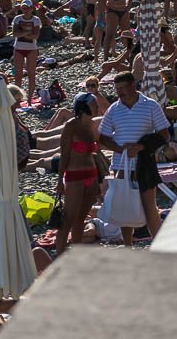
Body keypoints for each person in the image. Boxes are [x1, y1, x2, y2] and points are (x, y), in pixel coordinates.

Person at [98, 72, 170, 246]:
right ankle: (128, 246)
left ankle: (159, 245)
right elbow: (102, 137)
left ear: (132, 85)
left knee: (149, 207)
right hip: (121, 163)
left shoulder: (150, 105)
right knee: (125, 206)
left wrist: (141, 147)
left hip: (145, 162)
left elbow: (164, 134)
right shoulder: (113, 109)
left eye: (122, 88)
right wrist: (120, 149)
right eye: (117, 89)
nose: (120, 92)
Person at [55, 93, 101, 255]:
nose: (97, 107)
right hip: (74, 176)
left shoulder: (92, 125)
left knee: (81, 218)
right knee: (67, 219)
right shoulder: (71, 126)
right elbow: (64, 155)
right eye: (94, 105)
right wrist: (60, 180)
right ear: (84, 107)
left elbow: (100, 148)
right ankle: (59, 256)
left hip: (92, 174)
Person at [11, 0, 41, 101]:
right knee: (18, 75)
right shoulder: (17, 19)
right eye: (24, 8)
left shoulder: (36, 19)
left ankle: (29, 98)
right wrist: (28, 33)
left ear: (32, 8)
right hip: (19, 48)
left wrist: (22, 33)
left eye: (28, 8)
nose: (26, 10)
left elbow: (35, 36)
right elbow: (15, 34)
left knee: (31, 74)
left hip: (31, 49)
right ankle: (18, 99)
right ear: (21, 8)